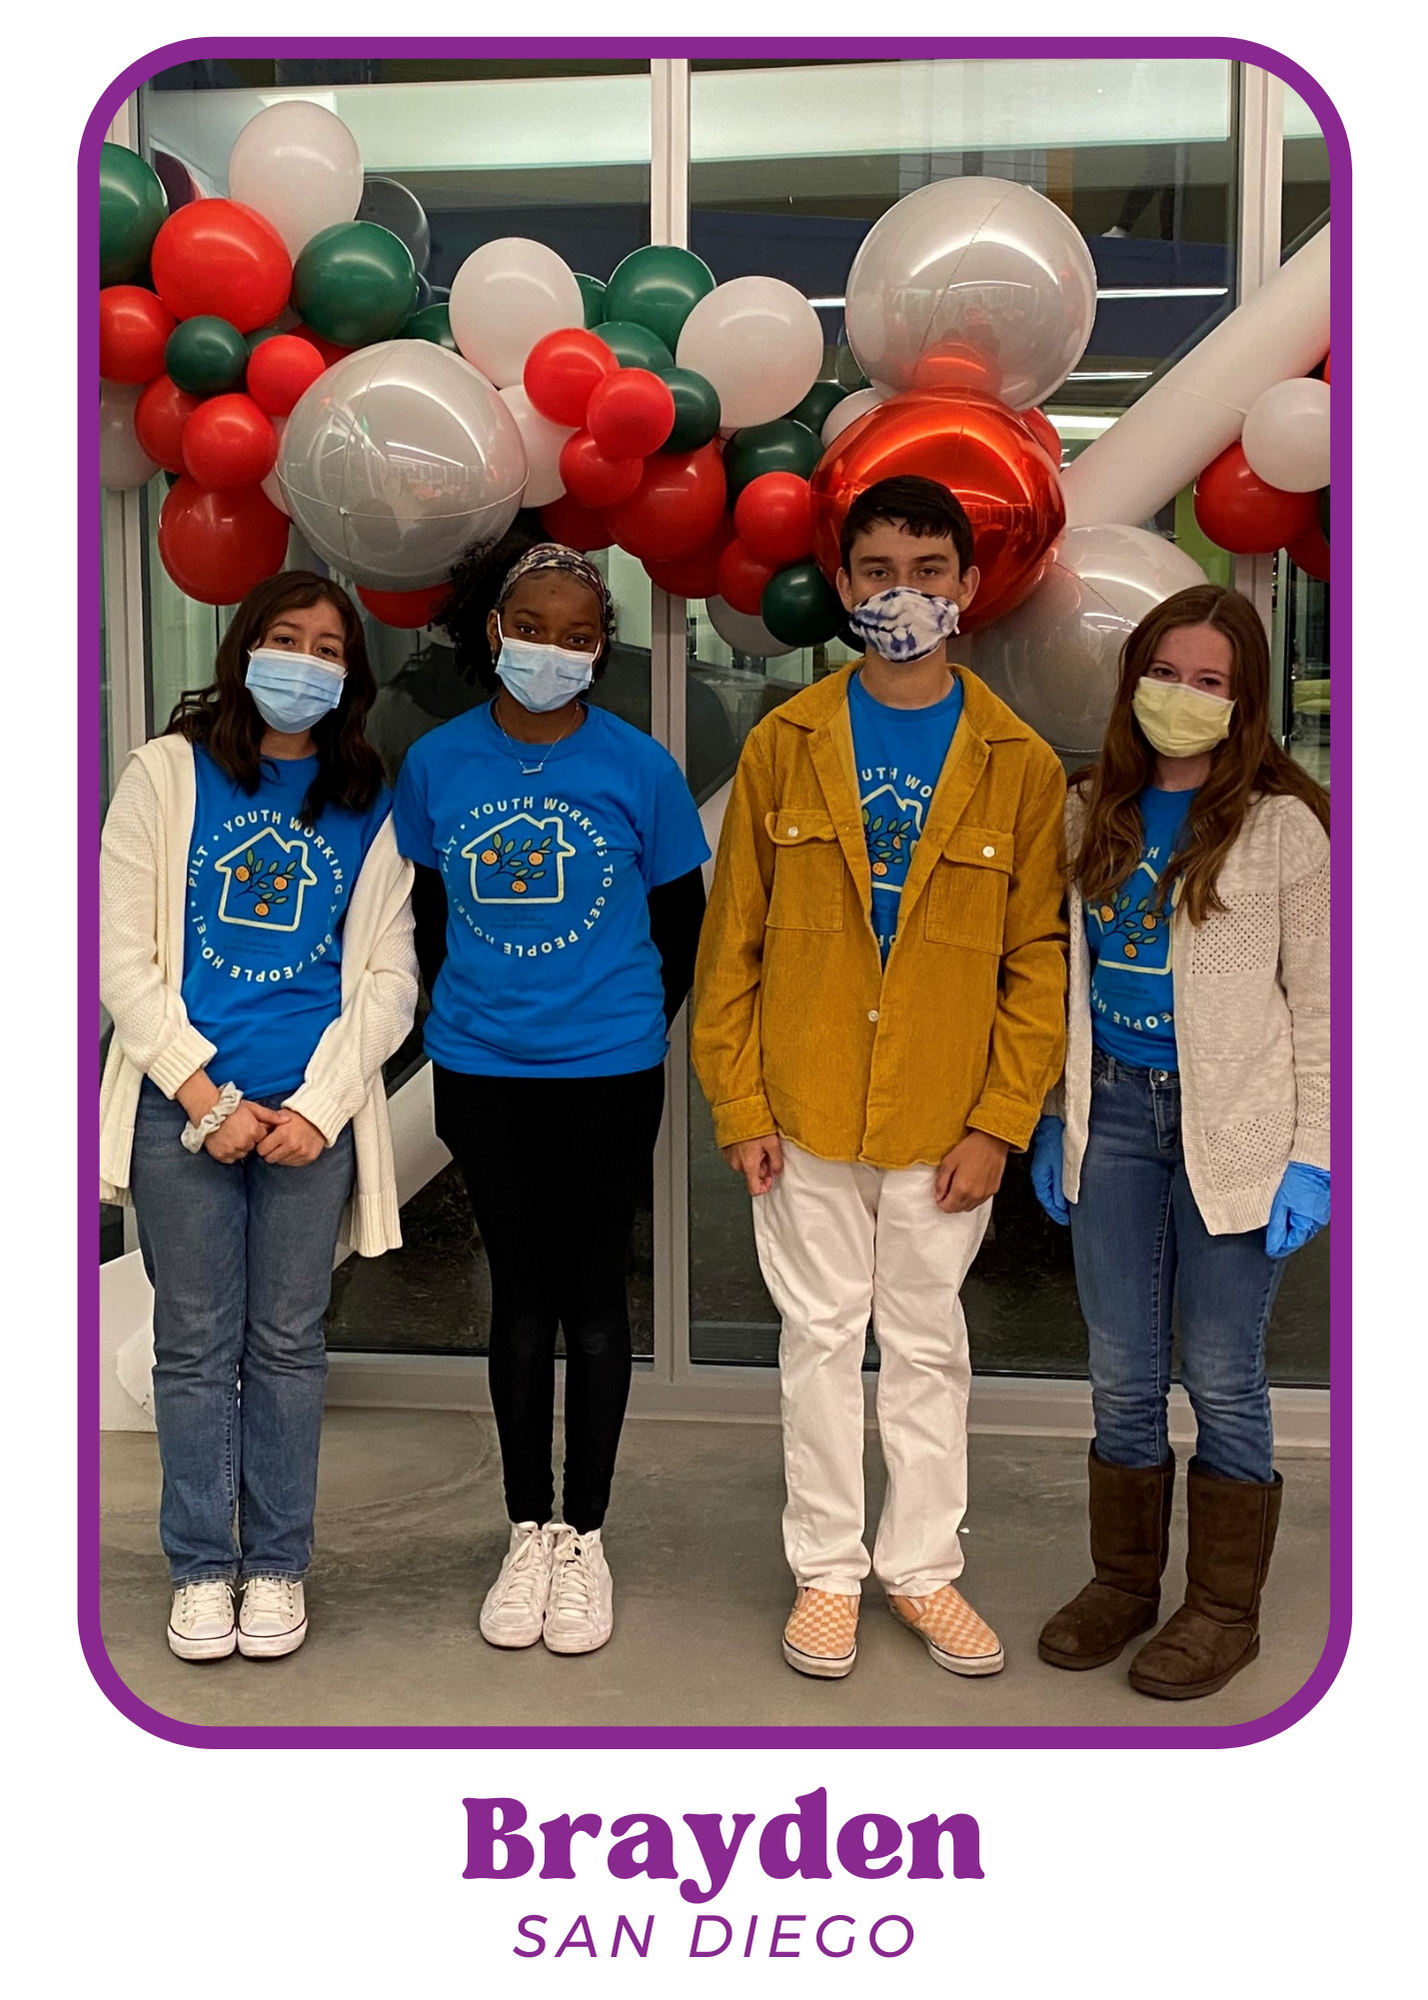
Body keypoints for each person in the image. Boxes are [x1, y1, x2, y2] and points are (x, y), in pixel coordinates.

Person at [692, 475, 1068, 1681]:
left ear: (967, 587)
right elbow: (731, 941)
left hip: (942, 1115)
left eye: (926, 570)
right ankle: (827, 1572)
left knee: (925, 1346)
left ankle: (922, 1569)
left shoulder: (1018, 763)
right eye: (876, 572)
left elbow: (1037, 962)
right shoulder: (784, 744)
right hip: (802, 1106)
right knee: (816, 1341)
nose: (901, 593)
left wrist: (1002, 1124)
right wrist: (739, 1103)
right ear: (844, 587)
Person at [393, 542, 709, 1657]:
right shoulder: (435, 764)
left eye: (579, 635)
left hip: (610, 1069)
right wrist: (481, 1008)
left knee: (597, 1300)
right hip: (483, 1068)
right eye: (533, 624)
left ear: (599, 650)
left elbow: (682, 923)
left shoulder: (640, 767)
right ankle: (527, 1527)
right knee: (519, 1299)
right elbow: (424, 917)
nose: (553, 648)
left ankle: (587, 1532)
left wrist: (617, 1015)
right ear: (494, 628)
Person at [99, 572, 418, 1664]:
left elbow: (387, 980)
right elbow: (124, 962)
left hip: (305, 1120)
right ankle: (200, 1567)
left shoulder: (372, 799)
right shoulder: (165, 773)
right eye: (286, 638)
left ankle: (277, 1564)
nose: (304, 661)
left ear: (350, 677)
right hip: (184, 1113)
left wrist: (319, 1107)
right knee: (193, 1347)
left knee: (286, 1346)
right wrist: (204, 1095)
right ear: (244, 650)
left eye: (328, 647)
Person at [1030, 583, 1330, 1700]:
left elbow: (1324, 1005)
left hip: (1236, 1128)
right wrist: (1058, 1108)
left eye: (1212, 682)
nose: (1185, 698)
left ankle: (1221, 1607)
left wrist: (1317, 1151)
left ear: (1244, 699)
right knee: (1120, 1367)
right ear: (1133, 681)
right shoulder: (1089, 804)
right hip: (1111, 1115)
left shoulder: (1283, 826)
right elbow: (1070, 974)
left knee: (1220, 1370)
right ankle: (1123, 1581)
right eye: (1168, 674)